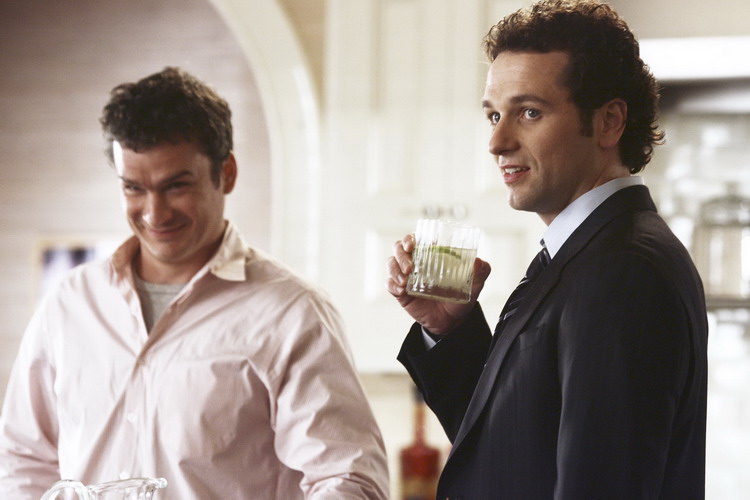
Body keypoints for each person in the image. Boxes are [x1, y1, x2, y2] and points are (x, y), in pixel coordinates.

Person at [0, 67, 389, 499]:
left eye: (176, 186)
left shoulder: (292, 313)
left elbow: (349, 479)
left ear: (227, 173)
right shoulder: (70, 303)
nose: (155, 213)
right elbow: (22, 460)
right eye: (134, 188)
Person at [387, 1, 708, 499]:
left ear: (609, 122)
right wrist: (451, 329)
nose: (497, 141)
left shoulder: (621, 272)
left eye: (529, 112)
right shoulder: (589, 253)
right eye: (494, 114)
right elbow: (509, 454)